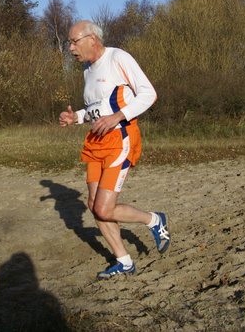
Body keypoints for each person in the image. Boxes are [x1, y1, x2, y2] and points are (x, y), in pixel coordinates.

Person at [59, 20, 170, 279]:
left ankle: (153, 220)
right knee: (92, 203)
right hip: (96, 140)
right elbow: (95, 109)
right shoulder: (87, 69)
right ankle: (124, 261)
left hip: (120, 137)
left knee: (104, 209)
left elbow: (148, 94)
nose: (70, 48)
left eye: (74, 41)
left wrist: (118, 117)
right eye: (69, 43)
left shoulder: (118, 57)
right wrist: (74, 117)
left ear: (91, 39)